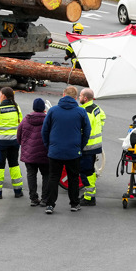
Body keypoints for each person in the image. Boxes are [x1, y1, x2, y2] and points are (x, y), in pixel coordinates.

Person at [41, 85, 90, 214]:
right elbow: (87, 131)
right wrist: (80, 146)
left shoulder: (53, 111)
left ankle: (50, 204)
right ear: (75, 97)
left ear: (63, 95)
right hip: (73, 151)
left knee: (53, 177)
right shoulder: (81, 112)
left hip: (55, 151)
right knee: (73, 178)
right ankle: (74, 203)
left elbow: (44, 130)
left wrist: (49, 146)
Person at [0, 87, 25, 199]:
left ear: (3, 96)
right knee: (14, 165)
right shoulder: (17, 108)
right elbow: (20, 121)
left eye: (0, 95)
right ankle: (18, 191)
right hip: (14, 142)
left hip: (0, 143)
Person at [17, 97, 51, 207]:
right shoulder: (48, 120)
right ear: (43, 108)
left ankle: (33, 198)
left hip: (29, 153)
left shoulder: (26, 120)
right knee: (46, 175)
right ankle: (45, 199)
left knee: (31, 175)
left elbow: (19, 136)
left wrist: (25, 146)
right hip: (45, 153)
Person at [78, 88, 105, 206]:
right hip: (95, 145)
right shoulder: (96, 108)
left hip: (87, 146)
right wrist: (98, 129)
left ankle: (89, 197)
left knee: (85, 172)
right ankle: (89, 194)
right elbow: (103, 117)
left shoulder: (86, 112)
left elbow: (83, 129)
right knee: (90, 171)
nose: (78, 97)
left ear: (85, 98)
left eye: (80, 96)